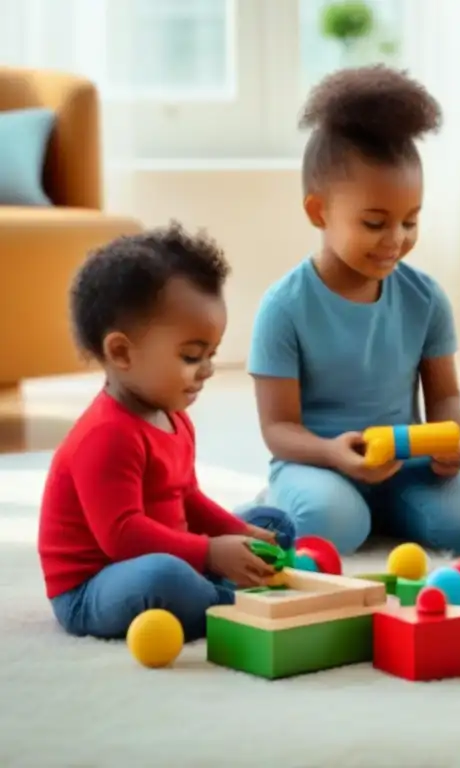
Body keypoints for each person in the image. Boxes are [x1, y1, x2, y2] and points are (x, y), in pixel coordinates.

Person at [247, 65, 460, 557]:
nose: (395, 239)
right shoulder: (283, 308)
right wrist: (332, 453)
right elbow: (278, 429)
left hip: (407, 466)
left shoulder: (426, 298)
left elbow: (445, 396)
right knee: (333, 524)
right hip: (317, 462)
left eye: (410, 220)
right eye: (375, 222)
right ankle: (280, 503)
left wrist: (453, 438)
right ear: (318, 212)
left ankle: (383, 508)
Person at [38, 224, 294, 643]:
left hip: (174, 550)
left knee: (272, 523)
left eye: (211, 354)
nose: (208, 370)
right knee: (164, 577)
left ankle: (226, 587)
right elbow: (122, 537)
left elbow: (187, 499)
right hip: (98, 584)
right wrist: (210, 552)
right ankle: (230, 605)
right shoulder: (104, 437)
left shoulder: (174, 417)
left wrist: (238, 532)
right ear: (121, 352)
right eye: (192, 356)